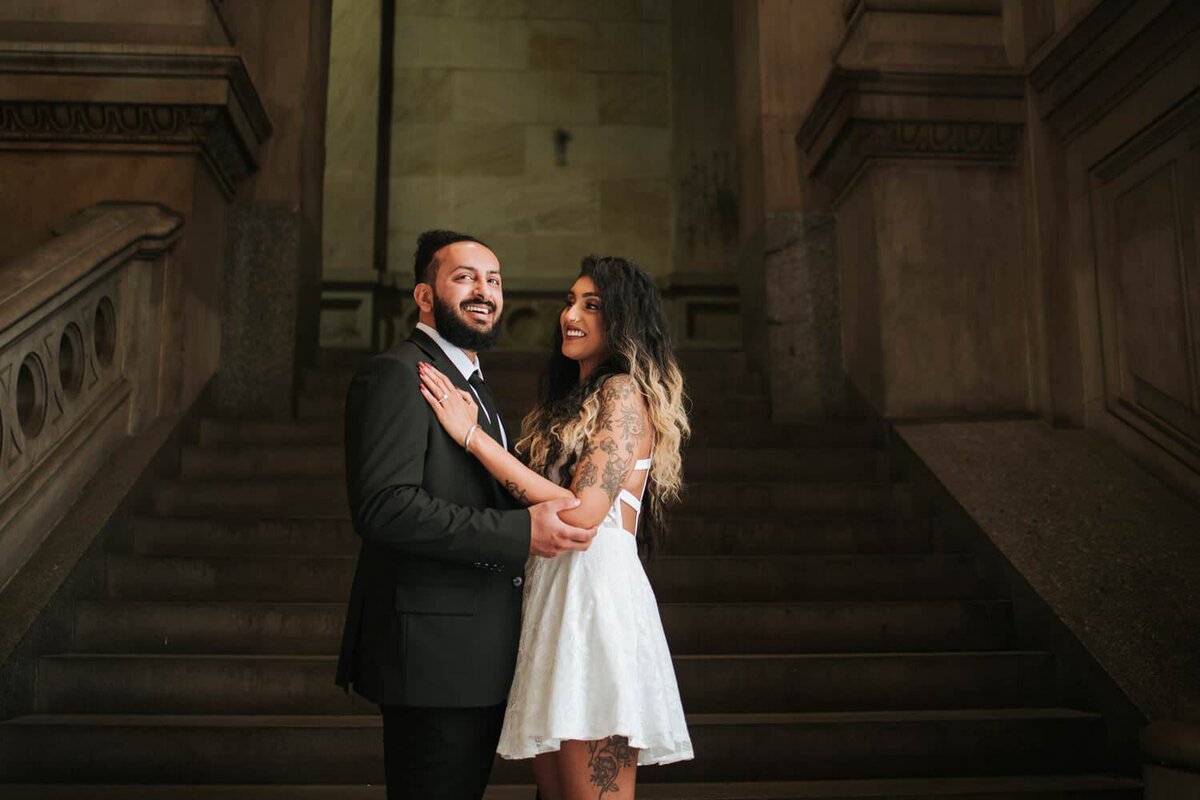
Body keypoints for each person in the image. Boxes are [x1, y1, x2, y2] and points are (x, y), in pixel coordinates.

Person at [418, 255, 695, 800]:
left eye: (592, 305)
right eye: (570, 301)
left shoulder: (622, 393)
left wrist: (473, 438)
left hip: (595, 597)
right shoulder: (570, 403)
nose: (571, 314)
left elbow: (585, 514)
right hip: (554, 593)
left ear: (623, 320)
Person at [336, 230, 599, 800]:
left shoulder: (472, 385)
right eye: (465, 277)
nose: (485, 291)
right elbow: (385, 507)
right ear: (424, 296)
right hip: (432, 657)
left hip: (478, 652)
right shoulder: (399, 374)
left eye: (495, 280)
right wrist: (519, 532)